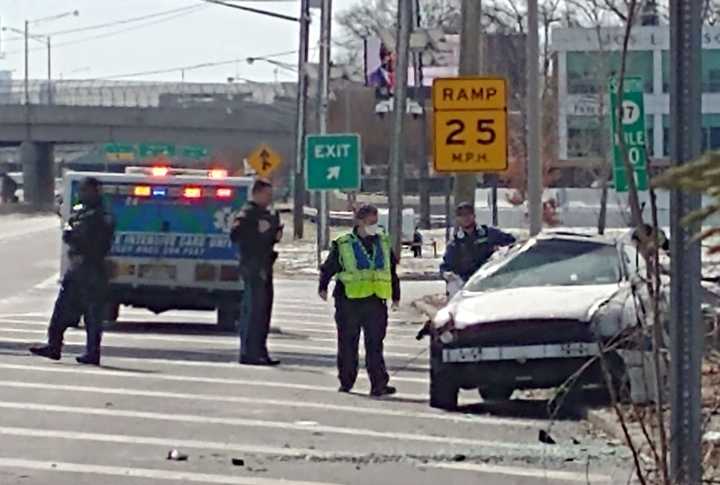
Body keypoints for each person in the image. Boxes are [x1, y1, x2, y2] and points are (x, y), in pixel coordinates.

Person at [30, 177, 115, 365]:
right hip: (79, 268)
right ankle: (54, 345)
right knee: (61, 310)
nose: (82, 194)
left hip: (90, 268)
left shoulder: (99, 216)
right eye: (82, 190)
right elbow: (70, 231)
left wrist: (72, 233)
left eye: (86, 190)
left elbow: (79, 237)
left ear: (95, 192)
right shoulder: (84, 212)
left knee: (92, 315)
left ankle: (92, 353)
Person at [318, 204, 400, 397]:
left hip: (375, 300)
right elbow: (329, 267)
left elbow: (391, 272)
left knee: (375, 345)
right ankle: (346, 381)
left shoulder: (383, 242)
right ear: (359, 222)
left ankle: (378, 384)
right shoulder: (344, 243)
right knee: (348, 343)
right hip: (349, 301)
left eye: (376, 222)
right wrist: (322, 286)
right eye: (371, 222)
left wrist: (396, 296)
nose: (374, 226)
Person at [230, 178, 283, 366]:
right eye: (267, 194)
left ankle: (260, 351)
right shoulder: (248, 213)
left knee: (263, 311)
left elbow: (267, 238)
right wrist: (256, 230)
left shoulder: (265, 213)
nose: (270, 198)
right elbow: (236, 234)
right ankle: (249, 353)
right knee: (254, 312)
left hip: (264, 265)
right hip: (253, 267)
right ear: (257, 193)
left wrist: (273, 234)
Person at [440, 202, 516, 297]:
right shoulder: (455, 243)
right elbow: (446, 266)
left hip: (489, 282)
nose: (465, 218)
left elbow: (513, 243)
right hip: (467, 285)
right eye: (461, 215)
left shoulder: (488, 233)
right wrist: (448, 274)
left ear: (474, 216)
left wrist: (501, 254)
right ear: (457, 219)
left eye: (468, 214)